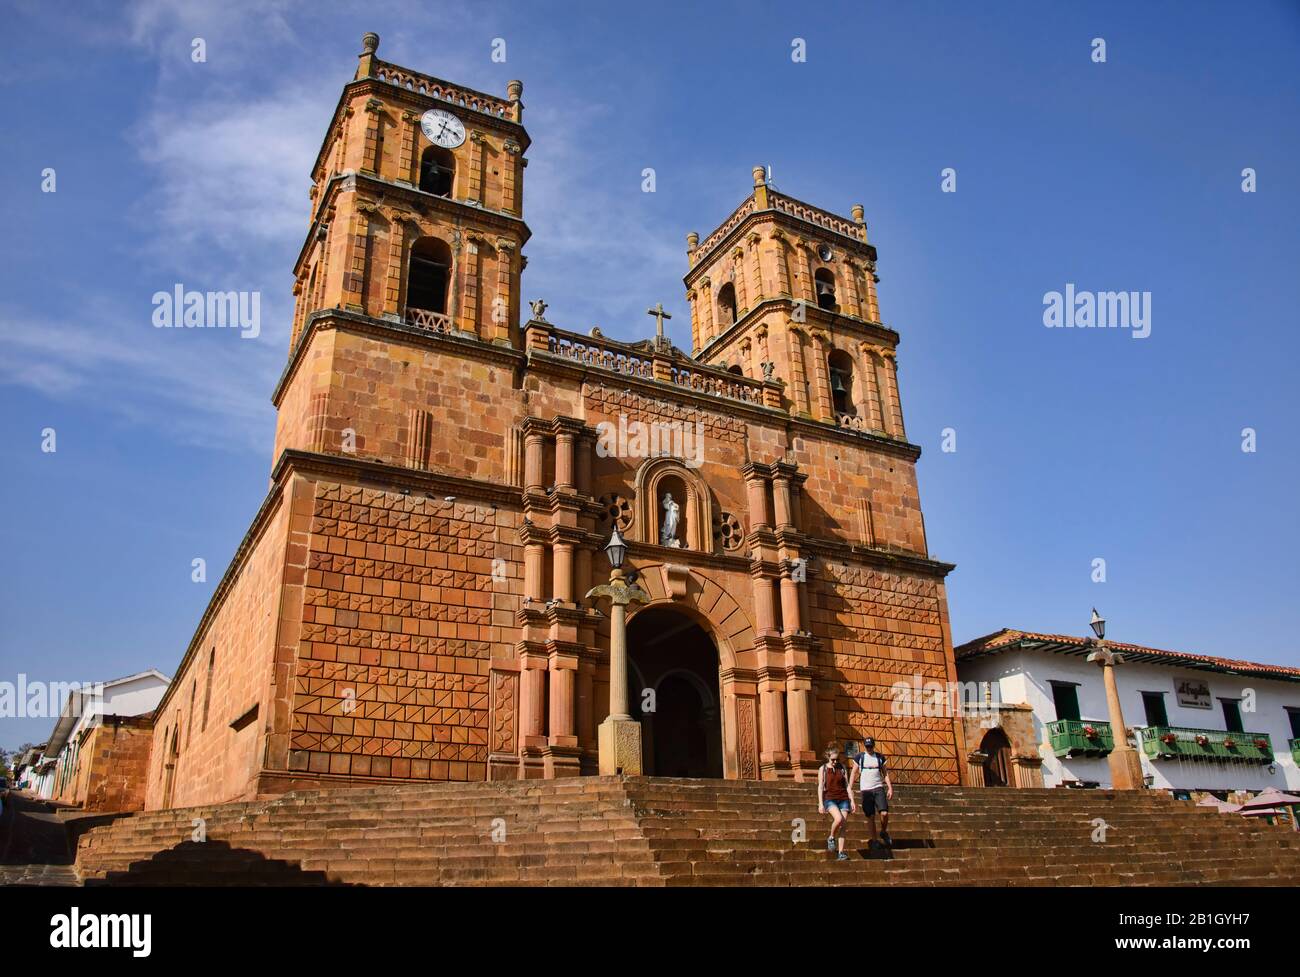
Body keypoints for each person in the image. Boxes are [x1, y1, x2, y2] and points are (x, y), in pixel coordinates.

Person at [850, 736, 893, 850]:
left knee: (884, 813)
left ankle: (883, 832)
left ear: (874, 746)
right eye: (867, 746)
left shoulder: (879, 757)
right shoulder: (860, 757)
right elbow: (853, 772)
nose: (869, 748)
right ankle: (874, 840)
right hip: (866, 789)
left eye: (870, 746)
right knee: (870, 816)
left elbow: (885, 773)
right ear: (865, 746)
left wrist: (889, 787)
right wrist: (850, 787)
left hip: (878, 787)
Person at [817, 745, 854, 861]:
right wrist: (820, 803)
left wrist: (852, 800)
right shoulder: (822, 769)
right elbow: (820, 786)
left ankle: (841, 852)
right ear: (828, 757)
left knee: (843, 825)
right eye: (833, 759)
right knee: (838, 819)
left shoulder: (842, 768)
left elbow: (847, 785)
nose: (835, 762)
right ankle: (831, 837)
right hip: (830, 798)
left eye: (837, 759)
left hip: (843, 798)